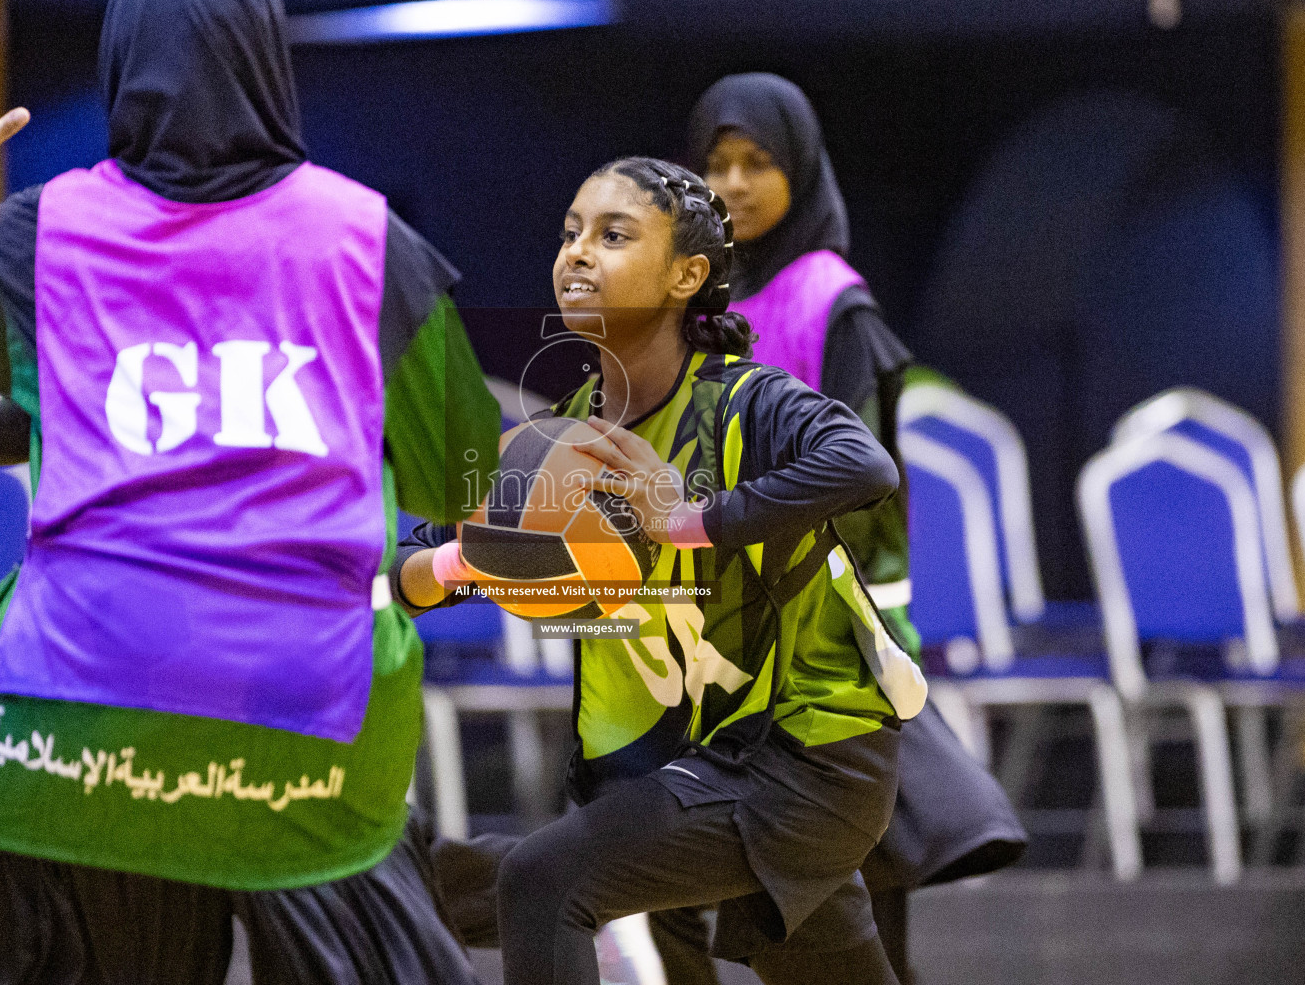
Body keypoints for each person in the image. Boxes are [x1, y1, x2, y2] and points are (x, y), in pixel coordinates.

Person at [0, 0, 498, 981]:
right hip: (306, 705)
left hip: (68, 710)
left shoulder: (49, 232)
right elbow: (462, 478)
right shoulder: (376, 246)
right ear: (270, 61)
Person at [397, 157, 926, 985]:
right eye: (569, 233)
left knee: (544, 882)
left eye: (612, 235)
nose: (577, 252)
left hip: (802, 752)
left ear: (688, 275)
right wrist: (465, 561)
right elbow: (407, 565)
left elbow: (863, 466)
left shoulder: (749, 401)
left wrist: (682, 520)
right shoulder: (559, 437)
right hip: (676, 754)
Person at [676, 72, 1027, 984]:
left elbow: (867, 486)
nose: (736, 184)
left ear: (800, 168)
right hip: (721, 635)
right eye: (716, 164)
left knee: (857, 894)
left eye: (759, 162)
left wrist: (869, 626)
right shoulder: (703, 305)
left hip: (827, 632)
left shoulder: (832, 302)